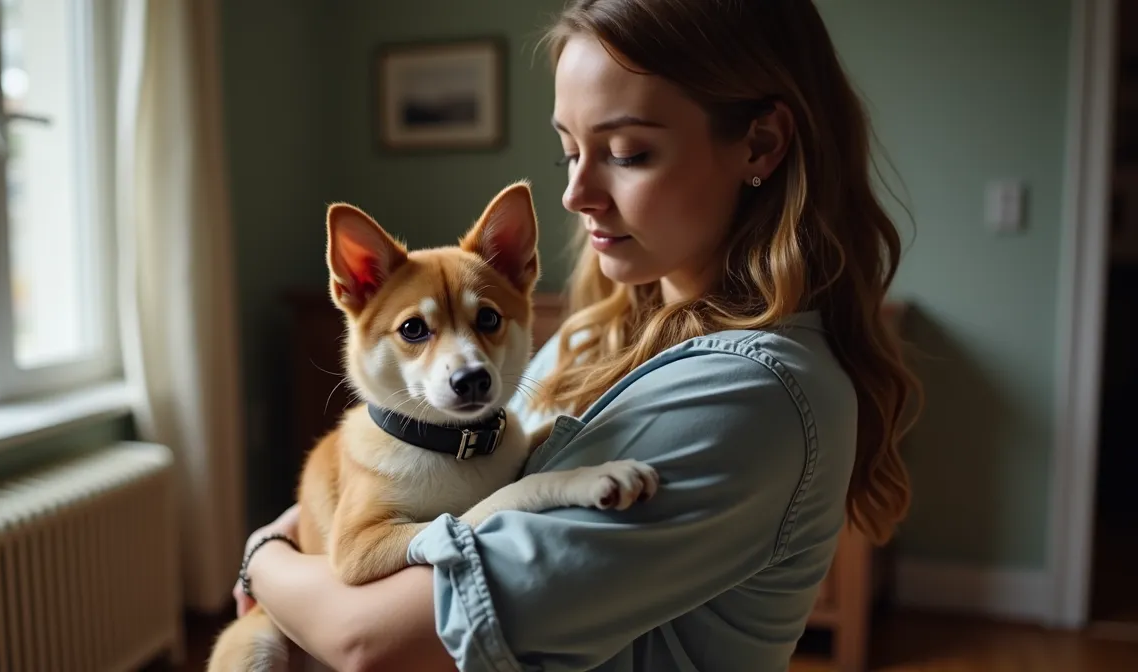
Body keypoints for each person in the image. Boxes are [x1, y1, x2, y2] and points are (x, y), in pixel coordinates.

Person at [235, 0, 920, 670]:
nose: (575, 192)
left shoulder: (747, 393)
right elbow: (399, 481)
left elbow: (367, 642)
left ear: (760, 143)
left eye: (627, 152)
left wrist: (264, 559)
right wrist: (302, 529)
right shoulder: (592, 337)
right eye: (569, 150)